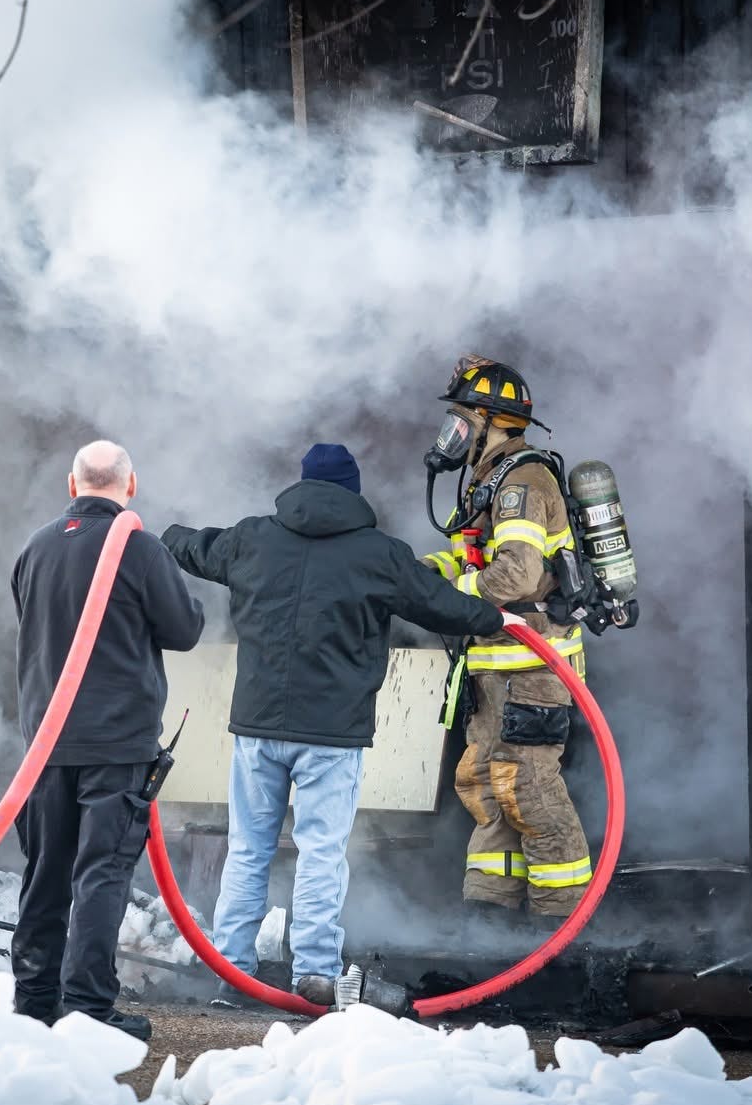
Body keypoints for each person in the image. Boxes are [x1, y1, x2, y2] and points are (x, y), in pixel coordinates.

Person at [162, 443, 504, 1005]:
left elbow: (194, 548)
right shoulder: (379, 554)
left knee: (248, 850)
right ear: (352, 493)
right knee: (320, 853)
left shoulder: (252, 539)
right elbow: (443, 605)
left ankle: (231, 972)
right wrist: (498, 617)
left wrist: (160, 531)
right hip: (332, 737)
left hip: (257, 729)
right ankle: (314, 973)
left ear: (300, 486)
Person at [8, 439, 205, 1041]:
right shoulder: (140, 550)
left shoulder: (35, 548)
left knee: (45, 873)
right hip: (117, 746)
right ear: (131, 485)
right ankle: (88, 1008)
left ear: (72, 485)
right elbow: (183, 631)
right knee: (101, 874)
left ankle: (33, 1003)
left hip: (46, 745)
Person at [419, 357, 594, 919]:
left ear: (493, 421)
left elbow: (515, 576)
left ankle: (561, 919)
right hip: (495, 667)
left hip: (532, 669)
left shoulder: (522, 481)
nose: (452, 432)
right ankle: (490, 916)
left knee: (529, 790)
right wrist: (419, 575)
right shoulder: (488, 478)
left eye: (462, 419)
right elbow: (476, 560)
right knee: (486, 786)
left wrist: (450, 595)